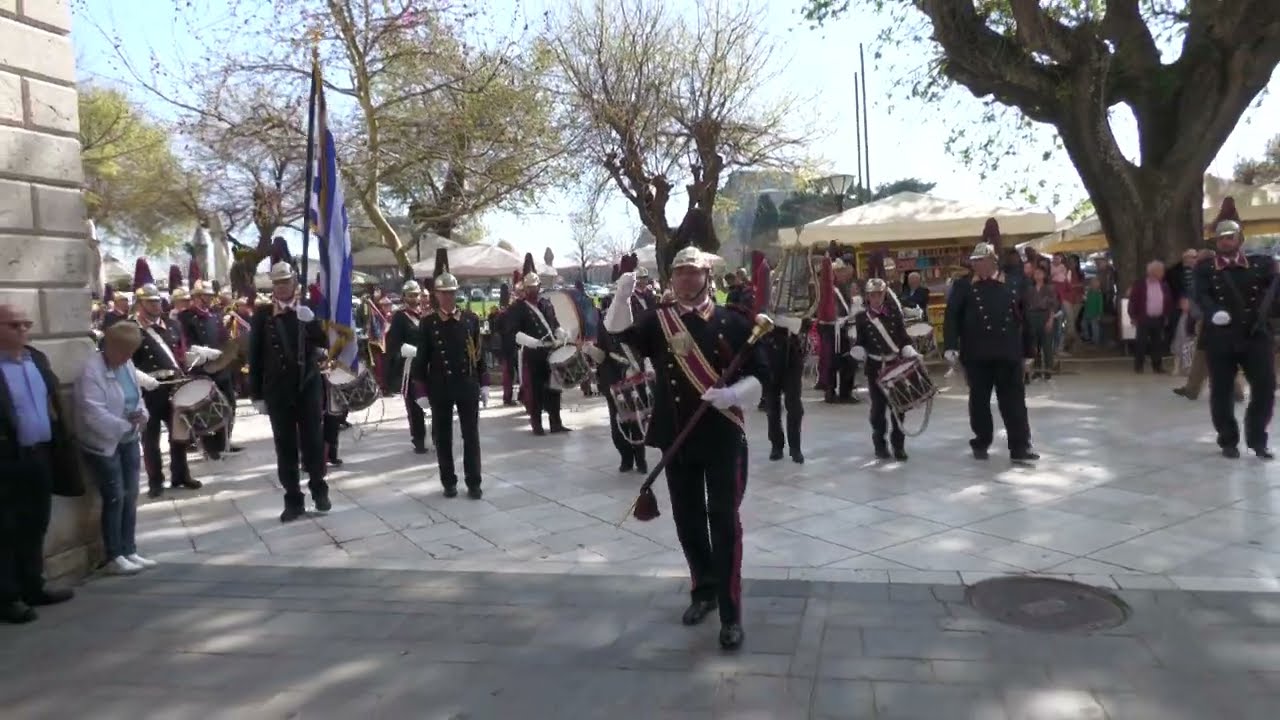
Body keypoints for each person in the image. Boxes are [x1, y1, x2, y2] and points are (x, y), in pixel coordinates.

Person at [604, 227, 766, 651]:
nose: (686, 280)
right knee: (689, 521)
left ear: (706, 277)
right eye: (679, 274)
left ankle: (731, 613)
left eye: (693, 273)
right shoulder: (658, 320)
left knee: (725, 523)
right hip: (676, 434)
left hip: (723, 436)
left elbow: (761, 377)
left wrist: (732, 394)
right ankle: (704, 591)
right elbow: (619, 335)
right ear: (671, 279)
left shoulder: (733, 321)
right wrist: (621, 296)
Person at [0, 304, 80, 624]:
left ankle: (33, 585)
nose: (21, 330)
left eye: (25, 324)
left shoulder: (37, 360)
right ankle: (7, 598)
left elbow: (52, 405)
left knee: (36, 524)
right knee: (5, 530)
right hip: (6, 460)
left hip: (40, 455)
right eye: (12, 325)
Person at [248, 262, 332, 522]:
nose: (282, 287)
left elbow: (326, 343)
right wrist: (257, 394)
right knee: (284, 446)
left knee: (314, 442)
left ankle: (319, 489)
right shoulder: (263, 315)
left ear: (295, 283)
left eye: (286, 281)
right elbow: (255, 356)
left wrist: (313, 324)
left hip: (307, 386)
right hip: (277, 389)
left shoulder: (308, 309)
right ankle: (293, 498)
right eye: (277, 283)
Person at [943, 241, 1038, 464]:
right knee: (979, 402)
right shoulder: (964, 286)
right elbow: (952, 317)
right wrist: (950, 346)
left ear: (993, 261)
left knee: (1014, 402)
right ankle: (981, 440)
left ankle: (1020, 446)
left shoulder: (1013, 283)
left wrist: (1029, 351)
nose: (977, 266)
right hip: (977, 354)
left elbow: (1026, 318)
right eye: (974, 262)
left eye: (981, 261)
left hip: (1008, 351)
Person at [75, 320, 157, 576]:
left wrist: (142, 415)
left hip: (129, 438)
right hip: (105, 443)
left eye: (131, 352)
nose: (128, 357)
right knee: (115, 496)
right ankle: (114, 554)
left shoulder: (127, 364)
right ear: (109, 347)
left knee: (131, 494)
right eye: (124, 351)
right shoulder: (91, 370)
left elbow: (137, 397)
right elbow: (92, 412)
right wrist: (124, 425)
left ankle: (129, 548)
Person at [1193, 220, 1277, 459]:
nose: (1225, 241)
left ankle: (1257, 439)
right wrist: (1212, 312)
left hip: (1255, 335)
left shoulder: (1262, 264)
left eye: (1230, 237)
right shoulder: (1206, 268)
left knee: (1265, 386)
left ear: (1240, 239)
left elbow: (1272, 296)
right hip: (1221, 336)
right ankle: (1228, 440)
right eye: (1221, 238)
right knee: (1222, 390)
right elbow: (1200, 294)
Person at [407, 251, 488, 498]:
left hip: (467, 384)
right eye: (444, 293)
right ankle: (449, 481)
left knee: (471, 436)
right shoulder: (428, 323)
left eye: (452, 292)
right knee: (443, 437)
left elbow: (478, 354)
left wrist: (484, 384)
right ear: (436, 295)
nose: (448, 297)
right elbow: (421, 359)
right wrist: (419, 391)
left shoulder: (470, 319)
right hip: (440, 386)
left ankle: (474, 482)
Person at [127, 282, 201, 497]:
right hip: (148, 390)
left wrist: (194, 356)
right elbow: (123, 362)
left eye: (157, 300)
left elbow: (179, 352)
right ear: (139, 304)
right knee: (150, 439)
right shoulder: (131, 328)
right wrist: (140, 379)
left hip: (174, 386)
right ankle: (155, 481)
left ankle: (181, 474)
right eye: (150, 301)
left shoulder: (172, 325)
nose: (156, 304)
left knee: (180, 433)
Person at [850, 278, 919, 460]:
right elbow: (861, 341)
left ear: (884, 294)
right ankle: (880, 444)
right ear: (867, 297)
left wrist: (909, 349)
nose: (876, 298)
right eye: (872, 295)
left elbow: (903, 337)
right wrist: (859, 350)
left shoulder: (894, 314)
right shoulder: (862, 318)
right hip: (875, 368)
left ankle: (899, 446)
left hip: (895, 365)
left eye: (879, 294)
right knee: (878, 410)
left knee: (899, 408)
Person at [178, 280, 241, 458]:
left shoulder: (215, 315)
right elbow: (183, 342)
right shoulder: (186, 317)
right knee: (207, 409)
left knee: (229, 403)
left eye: (209, 296)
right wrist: (200, 351)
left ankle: (225, 441)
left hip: (220, 366)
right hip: (201, 368)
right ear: (196, 297)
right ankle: (210, 447)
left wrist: (229, 349)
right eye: (204, 296)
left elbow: (223, 337)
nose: (207, 299)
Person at [594, 268, 648, 473]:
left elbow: (643, 347)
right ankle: (625, 457)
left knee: (638, 417)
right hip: (611, 375)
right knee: (617, 419)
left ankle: (640, 458)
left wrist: (639, 367)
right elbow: (602, 353)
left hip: (634, 373)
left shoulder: (638, 317)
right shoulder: (603, 322)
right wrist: (591, 351)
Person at [511, 253, 570, 435]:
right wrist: (534, 343)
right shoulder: (519, 308)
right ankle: (537, 424)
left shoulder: (546, 303)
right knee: (535, 390)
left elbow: (555, 325)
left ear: (539, 286)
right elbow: (514, 333)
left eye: (534, 286)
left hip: (551, 351)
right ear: (524, 288)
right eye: (529, 287)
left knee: (555, 388)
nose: (532, 290)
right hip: (534, 353)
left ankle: (556, 423)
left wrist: (562, 334)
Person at [386, 279, 429, 453]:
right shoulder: (400, 317)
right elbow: (393, 343)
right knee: (414, 405)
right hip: (410, 367)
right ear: (404, 296)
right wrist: (404, 351)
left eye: (416, 294)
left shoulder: (425, 315)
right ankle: (418, 439)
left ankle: (437, 436)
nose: (414, 298)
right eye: (410, 295)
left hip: (427, 365)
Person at [762, 315, 808, 463]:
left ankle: (795, 447)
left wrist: (785, 321)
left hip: (792, 352)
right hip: (771, 350)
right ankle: (776, 445)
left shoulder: (800, 293)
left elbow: (806, 323)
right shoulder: (767, 294)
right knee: (772, 404)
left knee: (794, 404)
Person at [1127, 260, 1173, 374]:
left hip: (1158, 318)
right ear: (1153, 272)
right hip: (1144, 318)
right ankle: (1139, 366)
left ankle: (1157, 366)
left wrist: (1167, 315)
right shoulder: (1141, 284)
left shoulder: (1164, 285)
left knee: (1157, 343)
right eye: (1160, 271)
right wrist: (1133, 316)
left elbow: (1168, 301)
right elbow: (1133, 301)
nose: (1162, 273)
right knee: (1141, 342)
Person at [1024, 265, 1059, 381]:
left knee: (1047, 345)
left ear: (1044, 275)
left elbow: (1053, 306)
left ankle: (1048, 370)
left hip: (1045, 315)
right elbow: (1026, 305)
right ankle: (1037, 371)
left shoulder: (1049, 288)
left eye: (1040, 273)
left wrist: (1050, 319)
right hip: (1033, 316)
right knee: (1035, 346)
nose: (1037, 276)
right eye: (1036, 274)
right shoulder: (1030, 289)